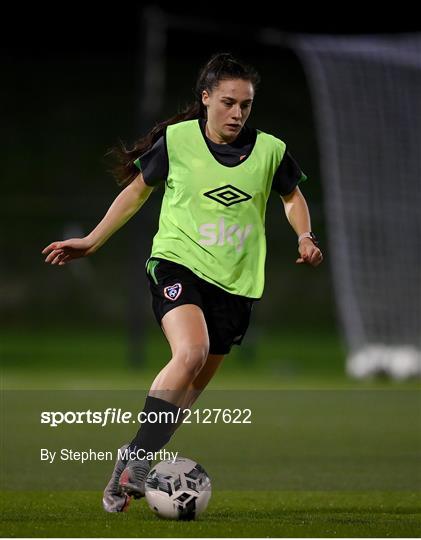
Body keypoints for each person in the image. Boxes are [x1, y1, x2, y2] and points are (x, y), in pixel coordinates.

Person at [42, 52, 323, 512]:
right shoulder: (177, 141)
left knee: (189, 392)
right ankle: (137, 461)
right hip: (178, 264)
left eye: (246, 105)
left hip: (237, 282)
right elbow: (136, 191)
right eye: (228, 102)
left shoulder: (271, 150)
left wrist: (305, 235)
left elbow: (292, 195)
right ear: (206, 97)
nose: (237, 113)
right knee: (188, 353)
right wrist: (92, 241)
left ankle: (128, 467)